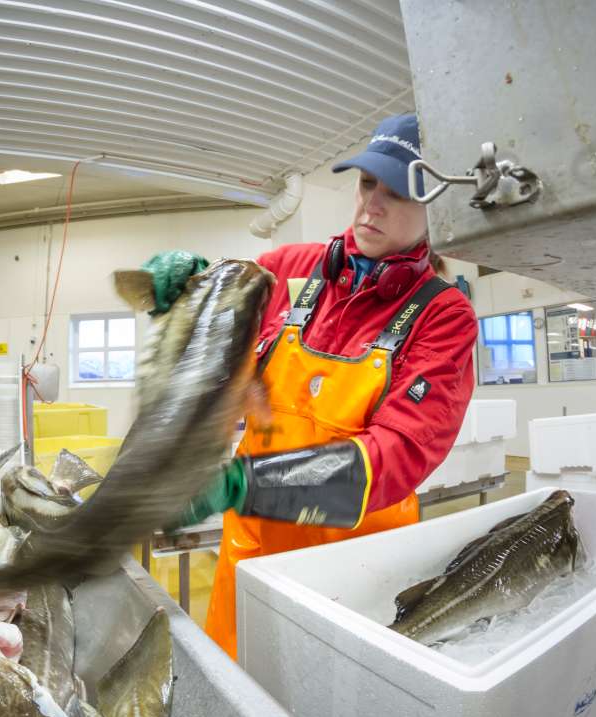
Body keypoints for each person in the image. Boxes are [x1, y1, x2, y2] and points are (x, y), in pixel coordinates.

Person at [145, 113, 479, 659]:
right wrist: (187, 289)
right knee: (237, 699)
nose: (373, 204)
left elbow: (397, 455)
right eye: (368, 182)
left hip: (356, 568)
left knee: (329, 716)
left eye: (397, 193)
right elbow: (220, 328)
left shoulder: (443, 316)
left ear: (435, 209)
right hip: (252, 551)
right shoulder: (293, 269)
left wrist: (242, 485)